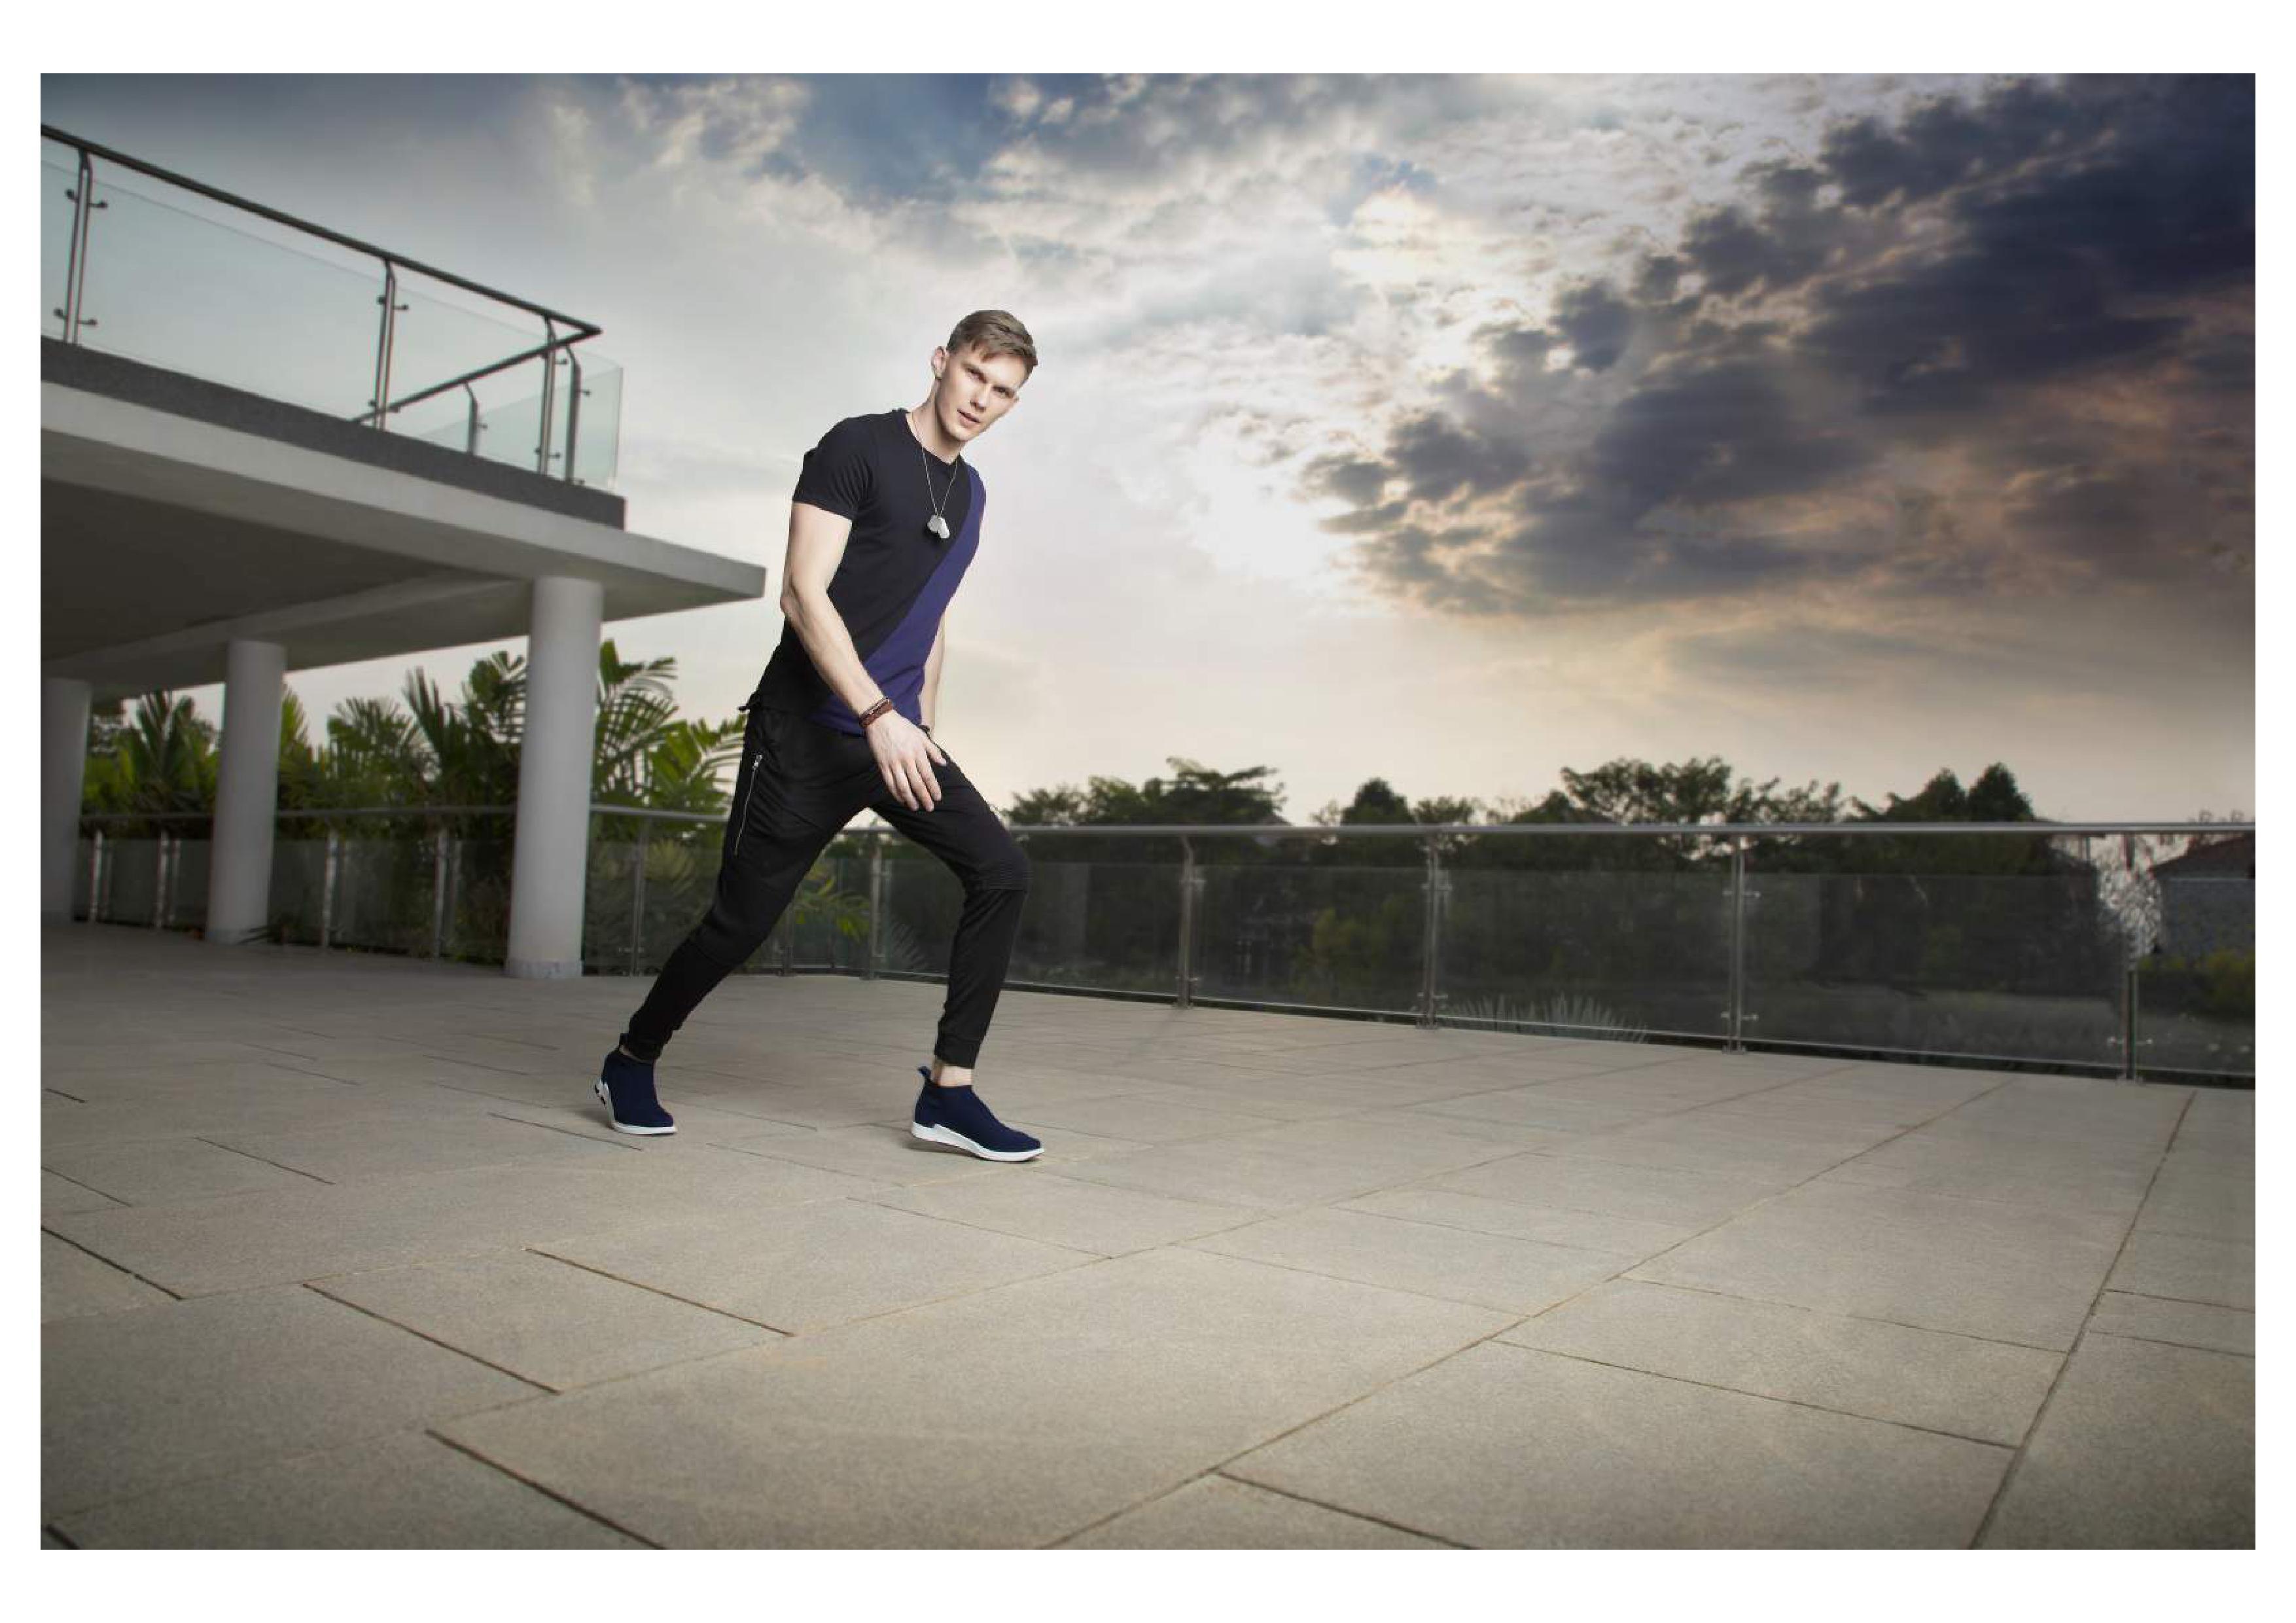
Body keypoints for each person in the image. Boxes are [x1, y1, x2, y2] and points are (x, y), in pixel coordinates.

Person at [594, 311, 1043, 1162]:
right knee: (740, 923)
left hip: (895, 737)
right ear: (941, 362)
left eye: (1003, 391)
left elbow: (932, 617)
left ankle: (949, 1092)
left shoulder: (971, 495)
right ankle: (631, 1060)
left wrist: (919, 727)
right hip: (805, 734)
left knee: (1001, 872)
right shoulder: (857, 447)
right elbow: (802, 594)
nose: (982, 399)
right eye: (974, 375)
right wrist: (877, 717)